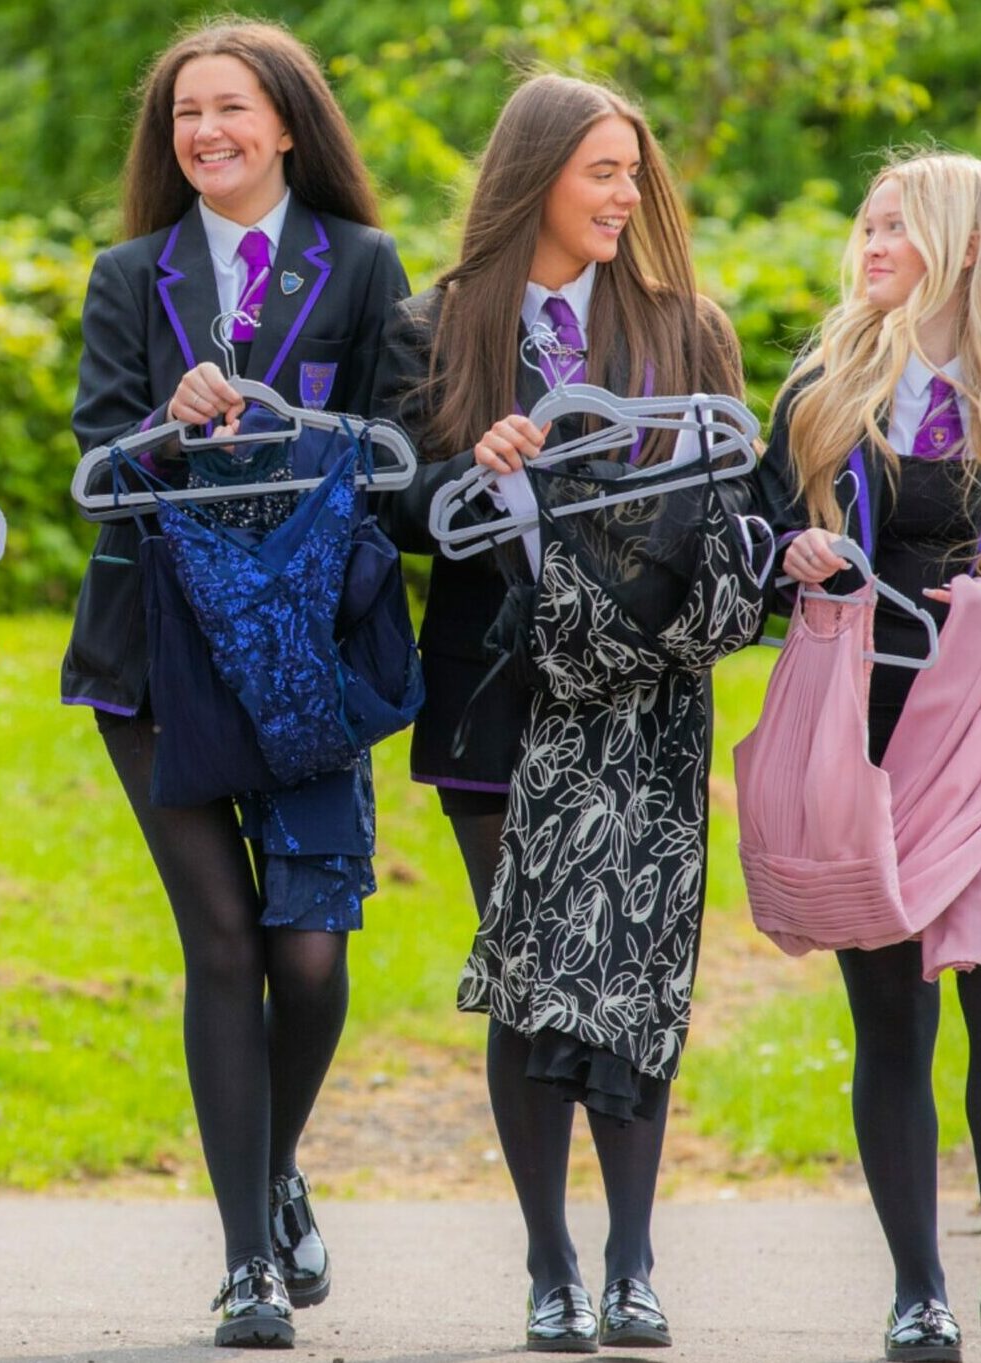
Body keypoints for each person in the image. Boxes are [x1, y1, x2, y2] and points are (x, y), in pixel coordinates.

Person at [376, 73, 752, 1353]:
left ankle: (635, 1261)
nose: (625, 194)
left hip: (644, 702)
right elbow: (386, 495)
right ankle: (550, 1266)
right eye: (602, 170)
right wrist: (458, 477)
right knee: (535, 978)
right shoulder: (432, 322)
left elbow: (729, 497)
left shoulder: (686, 327)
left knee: (633, 963)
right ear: (535, 175)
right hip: (492, 693)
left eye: (633, 172)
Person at [60, 18, 410, 1348]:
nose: (205, 132)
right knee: (221, 942)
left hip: (312, 647)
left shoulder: (367, 266)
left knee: (308, 957)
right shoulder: (128, 273)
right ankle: (248, 1258)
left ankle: (268, 1164)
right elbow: (98, 452)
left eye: (231, 109)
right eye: (185, 115)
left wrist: (290, 424)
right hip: (155, 652)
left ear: (287, 124)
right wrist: (167, 424)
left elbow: (400, 452)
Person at [760, 148, 981, 1363]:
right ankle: (918, 1290)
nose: (867, 247)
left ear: (963, 246)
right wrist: (787, 558)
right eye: (863, 226)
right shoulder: (821, 386)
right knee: (891, 1017)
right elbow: (759, 550)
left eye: (891, 227)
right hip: (863, 736)